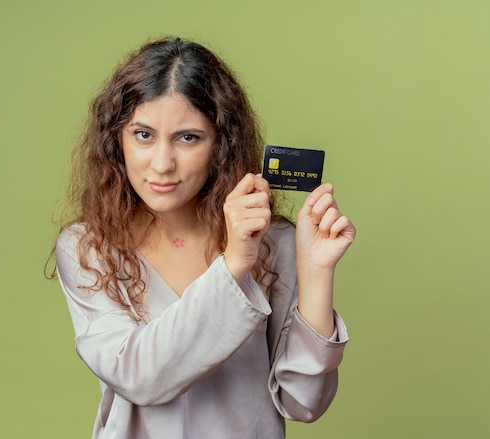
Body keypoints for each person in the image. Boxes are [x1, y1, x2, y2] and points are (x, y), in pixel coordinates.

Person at [52, 37, 356, 439]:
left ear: (221, 145)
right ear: (116, 139)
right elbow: (139, 376)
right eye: (143, 135)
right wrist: (232, 265)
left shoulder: (272, 242)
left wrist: (316, 270)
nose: (162, 164)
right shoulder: (89, 247)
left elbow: (304, 401)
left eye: (188, 137)